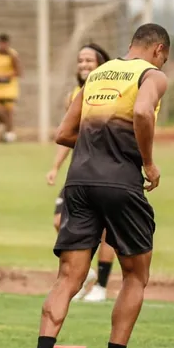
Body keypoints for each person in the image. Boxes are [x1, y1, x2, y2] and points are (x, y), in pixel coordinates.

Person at [26, 23, 170, 348]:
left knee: (68, 278)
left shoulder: (98, 75)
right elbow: (143, 111)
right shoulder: (152, 75)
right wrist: (149, 163)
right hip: (121, 185)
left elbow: (63, 133)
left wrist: (96, 143)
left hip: (79, 183)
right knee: (136, 276)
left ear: (129, 45)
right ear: (158, 50)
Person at [46, 43, 115, 303]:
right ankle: (86, 274)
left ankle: (102, 286)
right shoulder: (73, 94)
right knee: (59, 221)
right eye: (81, 61)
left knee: (108, 231)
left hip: (107, 171)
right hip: (79, 170)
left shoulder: (112, 92)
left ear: (102, 65)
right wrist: (55, 167)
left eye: (89, 60)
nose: (84, 65)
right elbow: (66, 134)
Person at [0, 34, 22, 143]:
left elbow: (19, 71)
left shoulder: (13, 55)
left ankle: (9, 135)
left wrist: (6, 76)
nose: (2, 45)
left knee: (9, 112)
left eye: (4, 43)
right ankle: (9, 130)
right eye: (0, 43)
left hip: (9, 87)